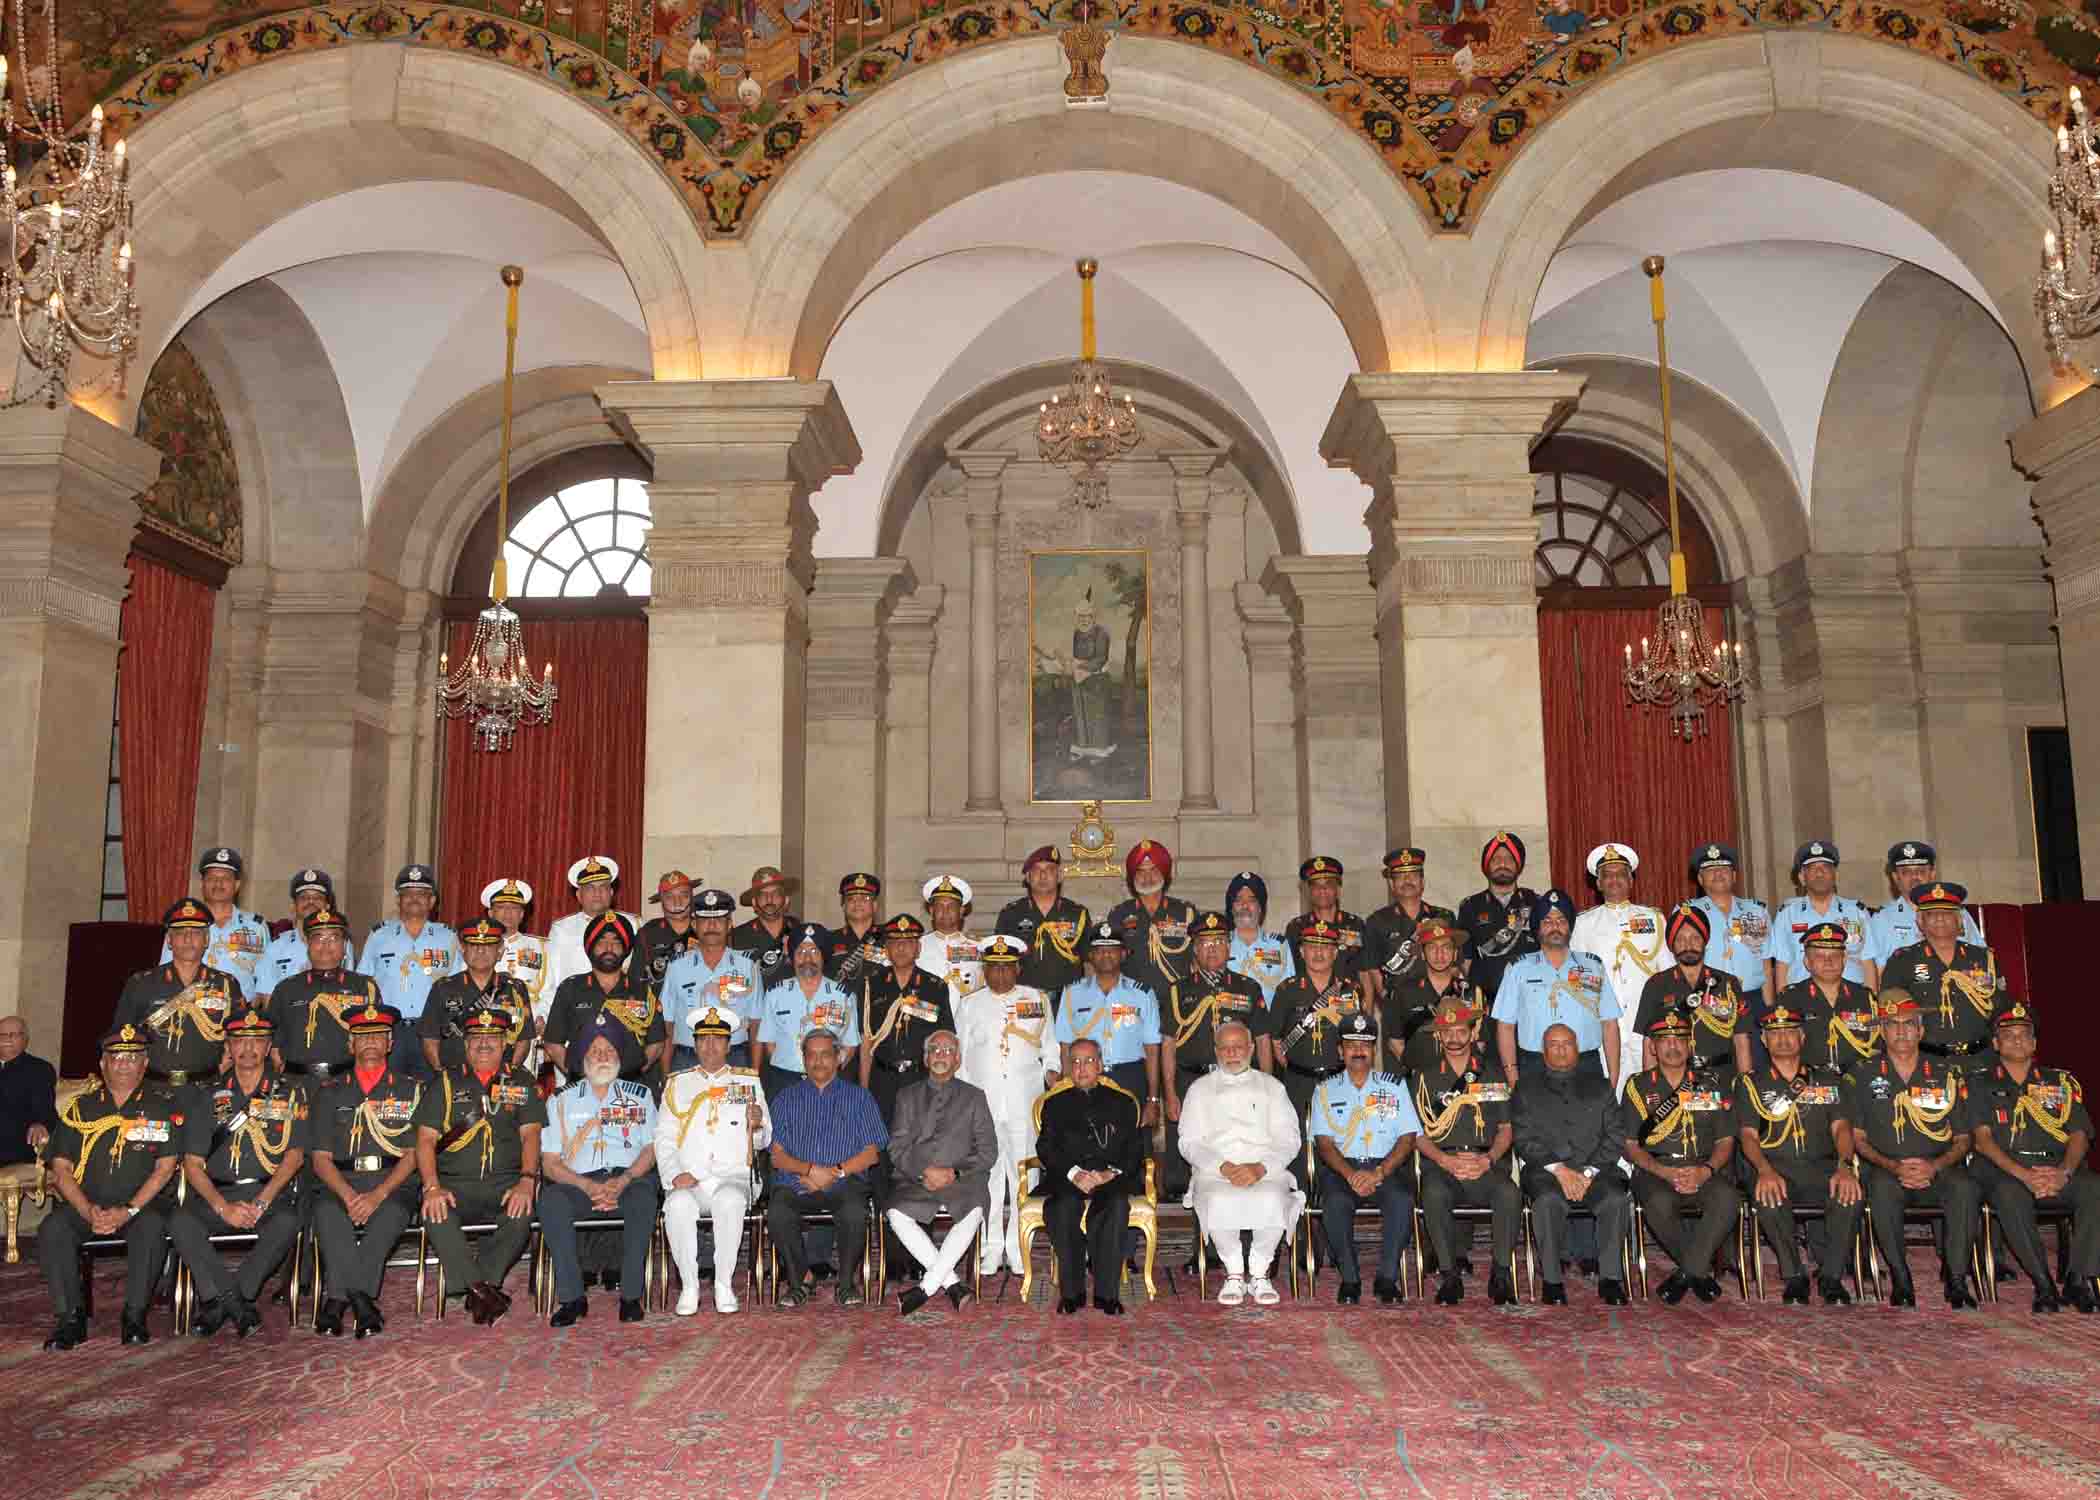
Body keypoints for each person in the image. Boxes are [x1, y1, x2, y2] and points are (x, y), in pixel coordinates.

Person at [38, 1023, 183, 1349]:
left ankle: (134, 1315)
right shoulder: (79, 1109)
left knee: (152, 1227)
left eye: (132, 1058)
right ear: (102, 1064)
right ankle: (69, 1318)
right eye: (115, 1057)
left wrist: (128, 1209)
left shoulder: (162, 1108)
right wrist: (87, 1210)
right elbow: (60, 1169)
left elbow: (165, 1168)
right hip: (85, 1204)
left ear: (145, 1064)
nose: (123, 1064)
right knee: (53, 1229)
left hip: (139, 1205)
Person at [168, 1005, 307, 1337]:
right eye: (240, 1040)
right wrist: (222, 1207)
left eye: (257, 1040)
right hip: (218, 1195)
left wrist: (260, 1203)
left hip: (267, 1194)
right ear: (228, 1046)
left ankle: (227, 1300)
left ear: (268, 1046)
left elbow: (294, 1156)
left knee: (288, 1221)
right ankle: (232, 1301)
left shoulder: (290, 1093)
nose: (248, 1048)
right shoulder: (206, 1097)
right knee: (179, 1220)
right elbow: (192, 1163)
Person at [1844, 990, 1979, 1308]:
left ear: (1921, 1030)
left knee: (1966, 1188)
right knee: (1880, 1188)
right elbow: (1858, 1138)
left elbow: (1963, 1138)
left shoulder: (1947, 1074)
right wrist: (1893, 1166)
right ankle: (1901, 1278)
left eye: (1909, 1024)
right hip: (1886, 1168)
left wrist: (1935, 1166)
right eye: (1892, 1024)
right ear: (1882, 1030)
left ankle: (1957, 1279)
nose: (1901, 1031)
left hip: (1940, 1167)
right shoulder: (1862, 1075)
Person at [1967, 998, 2099, 1313]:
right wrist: (2025, 1175)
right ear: (1996, 1043)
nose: (2017, 1039)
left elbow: (2080, 1134)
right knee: (2010, 1195)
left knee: (2094, 1188)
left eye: (2024, 1034)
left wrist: (2064, 1172)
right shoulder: (1979, 1084)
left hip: (2055, 1167)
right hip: (2005, 1170)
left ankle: (2079, 1278)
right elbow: (1983, 1142)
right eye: (2008, 1034)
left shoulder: (2060, 1082)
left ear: (2035, 1042)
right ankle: (2043, 1283)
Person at [413, 1006, 542, 1324]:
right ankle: (482, 1290)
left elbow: (531, 1136)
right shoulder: (445, 1082)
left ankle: (477, 1287)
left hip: (504, 1182)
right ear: (465, 1044)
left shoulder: (521, 1080)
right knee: (434, 1210)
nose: (484, 1044)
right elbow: (426, 1140)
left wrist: (527, 1180)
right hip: (454, 1183)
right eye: (476, 1038)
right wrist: (432, 1187)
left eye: (492, 1038)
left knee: (522, 1210)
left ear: (505, 1043)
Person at [1735, 1000, 1862, 1305]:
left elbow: (1842, 1130)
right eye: (1774, 1033)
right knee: (1768, 1194)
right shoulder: (1750, 1085)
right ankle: (1794, 1276)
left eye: (1790, 1031)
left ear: (1802, 1038)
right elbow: (1749, 1137)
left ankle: (1831, 1277)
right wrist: (1764, 1171)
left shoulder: (1829, 1080)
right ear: (1763, 1040)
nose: (1783, 1038)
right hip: (1777, 1167)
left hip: (1822, 1167)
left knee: (1850, 1192)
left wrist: (1846, 1166)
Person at [308, 1001, 422, 1338]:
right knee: (329, 1214)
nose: (370, 1041)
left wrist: (377, 1195)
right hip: (340, 1181)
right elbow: (320, 1158)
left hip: (393, 1183)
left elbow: (414, 1154)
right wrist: (348, 1195)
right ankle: (361, 1302)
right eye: (362, 1035)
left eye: (378, 1035)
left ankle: (338, 1299)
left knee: (388, 1216)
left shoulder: (412, 1090)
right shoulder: (329, 1092)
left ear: (390, 1043)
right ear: (350, 1044)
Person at [1619, 1003, 1740, 1304]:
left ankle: (1687, 1271)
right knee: (1658, 1203)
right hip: (1656, 1172)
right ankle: (1699, 1271)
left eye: (1679, 1040)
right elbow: (1631, 1145)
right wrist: (1664, 1173)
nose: (1673, 1046)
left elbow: (1726, 1140)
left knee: (1727, 1198)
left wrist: (1706, 1171)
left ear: (1690, 1044)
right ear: (1653, 1047)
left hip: (1704, 1168)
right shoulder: (1637, 1086)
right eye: (1665, 1040)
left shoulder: (1711, 1084)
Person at [540, 1022, 660, 1325]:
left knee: (644, 1198)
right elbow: (550, 1162)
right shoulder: (560, 1100)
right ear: (583, 1060)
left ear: (619, 1057)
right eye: (595, 1052)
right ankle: (571, 1298)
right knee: (552, 1202)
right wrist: (587, 1186)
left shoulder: (641, 1095)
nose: (603, 1056)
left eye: (609, 1051)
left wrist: (624, 1180)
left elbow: (652, 1149)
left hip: (628, 1177)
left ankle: (631, 1296)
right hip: (579, 1181)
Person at [658, 1006, 771, 1315]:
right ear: (694, 1044)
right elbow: (664, 1138)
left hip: (732, 1175)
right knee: (678, 1204)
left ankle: (723, 1284)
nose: (710, 1046)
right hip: (690, 1177)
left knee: (731, 1201)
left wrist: (757, 1124)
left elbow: (764, 1140)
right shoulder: (677, 1083)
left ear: (729, 1045)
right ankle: (690, 1286)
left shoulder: (747, 1081)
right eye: (704, 1039)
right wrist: (674, 1174)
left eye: (717, 1040)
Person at [955, 935, 1057, 1277]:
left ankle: (1017, 1246)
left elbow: (1051, 1050)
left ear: (1018, 968)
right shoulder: (970, 1005)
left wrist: (1054, 1076)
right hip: (982, 1104)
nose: (1000, 975)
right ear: (985, 969)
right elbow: (960, 1058)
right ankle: (991, 1246)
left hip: (1023, 1103)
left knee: (1023, 1175)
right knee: (987, 1176)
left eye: (1006, 968)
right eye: (993, 968)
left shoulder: (1037, 1000)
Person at [1182, 1019, 1302, 1308]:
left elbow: (1289, 1139)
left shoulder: (1272, 1087)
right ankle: (1234, 1271)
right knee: (1219, 1198)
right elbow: (1189, 1142)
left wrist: (1260, 1168)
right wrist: (1222, 1166)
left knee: (1273, 1197)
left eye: (1238, 1047)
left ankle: (1260, 1272)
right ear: (1216, 1051)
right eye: (1225, 1048)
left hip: (1265, 1169)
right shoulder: (1199, 1089)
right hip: (1216, 1171)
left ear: (1250, 1048)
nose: (1232, 1053)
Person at [766, 1029, 888, 1306]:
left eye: (825, 1054)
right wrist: (809, 1171)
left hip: (845, 1182)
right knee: (777, 1212)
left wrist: (833, 1173)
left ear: (838, 1058)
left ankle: (845, 1284)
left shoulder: (860, 1098)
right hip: (797, 1182)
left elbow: (872, 1153)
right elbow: (777, 1156)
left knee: (855, 1211)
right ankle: (800, 1281)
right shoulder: (785, 1099)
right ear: (803, 1059)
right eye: (811, 1055)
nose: (818, 1061)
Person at [1411, 997, 1520, 1305]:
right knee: (1432, 1194)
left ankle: (1500, 1274)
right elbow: (1415, 1133)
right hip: (1442, 1165)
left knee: (1509, 1194)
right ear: (1438, 1036)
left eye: (1461, 1030)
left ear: (1473, 1033)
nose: (1454, 1038)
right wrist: (1444, 1160)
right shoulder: (1423, 1076)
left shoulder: (1492, 1073)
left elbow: (1506, 1128)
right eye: (1447, 1032)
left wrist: (1488, 1160)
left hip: (1485, 1164)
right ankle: (1449, 1276)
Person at [1514, 1022, 1632, 1306]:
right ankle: (1552, 1282)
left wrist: (1589, 1172)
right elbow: (1523, 1137)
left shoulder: (1601, 1085)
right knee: (1547, 1202)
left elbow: (1615, 1134)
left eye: (1567, 1043)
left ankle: (1611, 1279)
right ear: (1543, 1052)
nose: (1561, 1050)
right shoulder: (1525, 1088)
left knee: (1615, 1200)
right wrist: (1561, 1170)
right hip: (1546, 1171)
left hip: (1596, 1170)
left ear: (1577, 1048)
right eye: (1553, 1044)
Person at [885, 1029, 998, 1315]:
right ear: (925, 1058)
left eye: (948, 1051)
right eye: (935, 1049)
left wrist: (954, 1173)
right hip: (917, 1180)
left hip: (962, 1181)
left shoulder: (975, 1097)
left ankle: (925, 1289)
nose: (941, 1055)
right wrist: (924, 1172)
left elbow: (988, 1152)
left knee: (973, 1211)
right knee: (896, 1213)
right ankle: (952, 1285)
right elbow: (897, 1148)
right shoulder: (906, 1096)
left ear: (958, 1060)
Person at [1309, 1013, 1418, 1305]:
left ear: (1374, 1050)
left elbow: (1407, 1138)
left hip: (1386, 1166)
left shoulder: (1395, 1086)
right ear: (1340, 1051)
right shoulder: (1324, 1090)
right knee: (1334, 1203)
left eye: (1365, 1045)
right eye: (1351, 1045)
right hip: (1342, 1168)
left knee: (1401, 1200)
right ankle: (1350, 1278)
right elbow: (1324, 1143)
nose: (1359, 1051)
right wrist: (1350, 1175)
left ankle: (1387, 1278)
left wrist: (1379, 1172)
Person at [1161, 912, 1269, 1200]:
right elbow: (1169, 1044)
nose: (1212, 948)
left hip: (1238, 1080)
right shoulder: (1177, 991)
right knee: (1184, 1146)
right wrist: (1170, 1092)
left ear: (1229, 947)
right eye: (1205, 943)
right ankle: (1179, 1209)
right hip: (1190, 1077)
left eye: (1219, 941)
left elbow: (1262, 1038)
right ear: (1194, 948)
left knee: (1235, 1138)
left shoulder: (1248, 988)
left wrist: (1268, 1084)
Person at [1036, 1039, 1147, 1315]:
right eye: (1075, 1062)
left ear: (1099, 1065)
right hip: (1068, 1177)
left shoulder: (1123, 1103)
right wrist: (1074, 1173)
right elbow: (1046, 1148)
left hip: (1109, 1176)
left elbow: (1134, 1149)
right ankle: (1071, 1293)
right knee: (1061, 1208)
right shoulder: (1054, 1104)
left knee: (1115, 1205)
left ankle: (1106, 1294)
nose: (1081, 1068)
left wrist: (1109, 1173)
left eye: (1088, 1061)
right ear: (1068, 1067)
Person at [113, 897, 241, 1101]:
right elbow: (120, 1039)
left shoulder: (226, 985)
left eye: (196, 933)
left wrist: (230, 1059)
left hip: (207, 1089)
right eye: (180, 933)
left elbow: (239, 1035)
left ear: (207, 940)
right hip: (153, 1088)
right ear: (169, 941)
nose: (188, 939)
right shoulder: (142, 984)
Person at [1492, 889, 1618, 1088]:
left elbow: (1609, 1024)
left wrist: (1613, 1079)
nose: (1555, 927)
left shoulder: (1594, 966)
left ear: (1570, 926)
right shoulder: (1518, 969)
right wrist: (1512, 1078)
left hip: (1586, 1066)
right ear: (1538, 928)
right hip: (1534, 1066)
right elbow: (1505, 1026)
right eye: (1547, 921)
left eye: (1561, 920)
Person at [1877, 880, 2000, 1077]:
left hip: (1981, 1061)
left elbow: (2000, 1008)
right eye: (1931, 914)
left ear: (1959, 920)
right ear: (1920, 921)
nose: (1940, 919)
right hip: (1927, 1063)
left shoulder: (1983, 958)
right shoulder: (1903, 960)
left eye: (1947, 913)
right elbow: (1891, 1014)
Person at [1570, 843, 1665, 1092]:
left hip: (1645, 1025)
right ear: (1598, 883)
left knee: (1649, 1095)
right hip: (1603, 1029)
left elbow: (1667, 974)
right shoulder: (1583, 924)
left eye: (1621, 874)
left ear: (1631, 880)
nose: (1614, 880)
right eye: (1607, 875)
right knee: (1607, 1097)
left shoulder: (1654, 919)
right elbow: (1577, 979)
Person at [357, 864, 463, 1079]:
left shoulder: (449, 938)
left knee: (431, 1095)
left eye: (422, 894)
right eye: (408, 894)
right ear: (398, 900)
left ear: (432, 901)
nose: (414, 899)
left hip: (433, 1033)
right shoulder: (379, 936)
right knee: (387, 1094)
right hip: (389, 1032)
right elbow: (364, 983)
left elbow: (459, 985)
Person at [1055, 922, 1163, 1122]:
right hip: (1087, 1077)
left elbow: (1152, 1049)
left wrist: (1153, 1098)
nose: (1106, 956)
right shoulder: (1072, 993)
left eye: (1112, 950)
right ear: (1090, 956)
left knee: (1134, 1145)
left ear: (1123, 954)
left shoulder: (1143, 994)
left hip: (1130, 1077)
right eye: (1099, 950)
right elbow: (1065, 1046)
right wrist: (1069, 1090)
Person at [541, 912, 665, 1081]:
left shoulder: (642, 990)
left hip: (629, 1091)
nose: (609, 948)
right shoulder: (570, 988)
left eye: (616, 942)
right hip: (581, 1089)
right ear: (590, 947)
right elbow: (553, 1042)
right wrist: (578, 1075)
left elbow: (656, 1043)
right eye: (602, 942)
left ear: (626, 949)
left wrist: (633, 1075)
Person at [1631, 904, 1750, 1077]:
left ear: (1704, 941)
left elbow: (1741, 1038)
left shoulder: (1728, 983)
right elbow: (1649, 1042)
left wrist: (1745, 1082)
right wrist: (1652, 1085)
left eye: (1695, 938)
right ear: (1672, 946)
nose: (1688, 945)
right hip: (1675, 1080)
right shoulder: (1656, 985)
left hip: (1722, 1076)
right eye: (1681, 939)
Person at [267, 906, 382, 1084]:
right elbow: (274, 1049)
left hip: (346, 1082)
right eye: (318, 938)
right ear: (307, 943)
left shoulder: (364, 987)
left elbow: (376, 1043)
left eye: (334, 938)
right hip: (297, 1082)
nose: (326, 946)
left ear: (344, 945)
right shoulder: (286, 989)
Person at [861, 914, 956, 1124]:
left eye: (908, 942)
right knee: (881, 1146)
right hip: (881, 1080)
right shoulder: (873, 984)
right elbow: (866, 1041)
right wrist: (863, 1091)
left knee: (920, 1146)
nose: (901, 948)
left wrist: (943, 1086)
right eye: (895, 943)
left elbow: (946, 1039)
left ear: (918, 948)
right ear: (886, 948)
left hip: (921, 1080)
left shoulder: (935, 987)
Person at [757, 924, 863, 1103]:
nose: (807, 958)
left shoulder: (843, 996)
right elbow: (769, 1044)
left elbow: (850, 1044)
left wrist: (829, 1069)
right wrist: (792, 1065)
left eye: (814, 951)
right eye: (801, 952)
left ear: (824, 957)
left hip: (829, 1081)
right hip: (784, 1081)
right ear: (792, 957)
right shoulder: (775, 993)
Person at [661, 887, 764, 1072]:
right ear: (694, 925)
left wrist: (754, 1073)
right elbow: (667, 1025)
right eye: (705, 920)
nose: (711, 926)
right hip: (687, 1057)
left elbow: (756, 1025)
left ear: (729, 924)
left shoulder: (748, 967)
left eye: (718, 920)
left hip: (735, 1056)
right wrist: (666, 1077)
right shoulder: (676, 967)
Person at [420, 915, 534, 1073]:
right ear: (463, 949)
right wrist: (441, 1072)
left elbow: (524, 1039)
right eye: (474, 945)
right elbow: (430, 1038)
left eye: (488, 945)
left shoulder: (515, 989)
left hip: (500, 1078)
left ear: (500, 951)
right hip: (455, 1078)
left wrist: (511, 1073)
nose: (481, 951)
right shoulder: (442, 988)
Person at [161, 846, 270, 999]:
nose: (218, 884)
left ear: (237, 885)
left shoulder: (256, 926)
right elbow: (166, 975)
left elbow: (266, 980)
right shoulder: (181, 924)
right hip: (194, 1012)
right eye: (212, 878)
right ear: (202, 883)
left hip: (241, 1015)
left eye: (225, 879)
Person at [1773, 919, 1880, 1073]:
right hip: (1811, 1084)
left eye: (1835, 956)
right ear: (1807, 962)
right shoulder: (1790, 999)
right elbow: (1781, 1051)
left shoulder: (1864, 998)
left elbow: (1877, 1047)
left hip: (1858, 1080)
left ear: (1844, 960)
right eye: (1819, 956)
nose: (1828, 961)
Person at [1769, 841, 1877, 990]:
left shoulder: (1857, 912)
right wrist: (1784, 1007)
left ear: (1835, 875)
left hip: (1851, 998)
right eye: (1813, 869)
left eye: (1825, 868)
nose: (1819, 873)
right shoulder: (1787, 913)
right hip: (1802, 1000)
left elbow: (1868, 962)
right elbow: (1782, 965)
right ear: (1801, 877)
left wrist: (1872, 1002)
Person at [1378, 915, 1476, 1080]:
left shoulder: (1470, 992)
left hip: (1460, 1081)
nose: (1440, 955)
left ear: (1455, 953)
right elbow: (1395, 1042)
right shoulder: (1402, 992)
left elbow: (1479, 1042)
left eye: (1446, 948)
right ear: (1422, 954)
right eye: (1432, 948)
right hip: (1418, 1081)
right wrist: (1424, 1076)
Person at [1685, 843, 1770, 1030]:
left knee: (1755, 1058)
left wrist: (1770, 1007)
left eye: (1724, 869)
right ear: (1700, 878)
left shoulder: (1757, 911)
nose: (1718, 874)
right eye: (1710, 870)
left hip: (1752, 1000)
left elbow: (1765, 962)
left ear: (1734, 876)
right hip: (1707, 1000)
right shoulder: (1688, 913)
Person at [1105, 839, 1197, 1000]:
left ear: (1164, 872)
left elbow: (1198, 961)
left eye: (1154, 870)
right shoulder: (1119, 915)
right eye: (1140, 871)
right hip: (1133, 1002)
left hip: (1177, 1001)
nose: (1147, 877)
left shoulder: (1185, 912)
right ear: (1132, 877)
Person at [1456, 831, 1539, 1010]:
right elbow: (1465, 961)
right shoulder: (1471, 907)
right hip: (1487, 1004)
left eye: (1509, 859)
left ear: (1519, 865)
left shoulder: (1536, 902)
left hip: (1530, 1001)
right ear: (1486, 866)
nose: (1503, 864)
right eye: (1496, 859)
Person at [995, 846, 1091, 999]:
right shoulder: (1011, 914)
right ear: (1028, 877)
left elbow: (1089, 962)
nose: (1043, 875)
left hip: (1069, 1001)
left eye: (1050, 869)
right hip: (1025, 1000)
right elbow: (1000, 963)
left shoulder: (1077, 913)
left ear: (1059, 876)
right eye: (1036, 870)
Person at [1363, 847, 1456, 996]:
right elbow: (1373, 969)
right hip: (1398, 1007)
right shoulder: (1376, 922)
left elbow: (1455, 965)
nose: (1407, 880)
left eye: (1413, 875)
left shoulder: (1444, 917)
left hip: (1438, 1005)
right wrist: (1388, 1000)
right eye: (1400, 876)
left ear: (1422, 882)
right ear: (1392, 885)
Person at [1868, 841, 1985, 959]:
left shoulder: (1957, 913)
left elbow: (1981, 959)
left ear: (1932, 874)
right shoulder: (1882, 919)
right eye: (1906, 872)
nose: (1914, 877)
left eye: (1921, 871)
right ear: (1895, 877)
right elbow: (1875, 971)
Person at [546, 856, 639, 997]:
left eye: (603, 887)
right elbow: (552, 979)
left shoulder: (633, 924)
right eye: (590, 888)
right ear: (578, 895)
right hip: (576, 1004)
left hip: (622, 1003)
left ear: (612, 893)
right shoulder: (562, 929)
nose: (597, 893)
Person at [255, 868, 357, 993]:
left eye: (318, 898)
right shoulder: (276, 946)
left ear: (327, 906)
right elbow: (268, 998)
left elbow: (350, 991)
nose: (311, 902)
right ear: (294, 906)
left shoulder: (343, 943)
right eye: (304, 898)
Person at [1285, 855, 1369, 984]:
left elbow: (1365, 972)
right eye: (1316, 885)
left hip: (1350, 1000)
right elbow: (1290, 972)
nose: (1322, 890)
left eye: (1328, 884)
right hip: (1309, 1001)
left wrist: (1367, 1004)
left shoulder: (1354, 925)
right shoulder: (1296, 928)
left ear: (1338, 889)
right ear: (1308, 891)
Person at [480, 878, 549, 1034]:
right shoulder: (476, 947)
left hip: (528, 1026)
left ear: (522, 914)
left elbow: (550, 989)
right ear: (490, 913)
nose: (507, 913)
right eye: (501, 907)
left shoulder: (541, 947)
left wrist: (542, 1016)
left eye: (514, 908)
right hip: (485, 1026)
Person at [1223, 870, 1295, 1009]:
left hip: (1270, 1025)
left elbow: (1290, 993)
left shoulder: (1279, 945)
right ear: (1231, 908)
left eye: (1252, 900)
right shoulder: (1221, 944)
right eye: (1238, 900)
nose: (1245, 906)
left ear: (1261, 908)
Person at [918, 874, 984, 1012]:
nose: (945, 911)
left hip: (966, 1025)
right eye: (939, 906)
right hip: (927, 1024)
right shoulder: (917, 946)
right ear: (931, 911)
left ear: (961, 911)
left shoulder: (979, 947)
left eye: (951, 906)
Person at [732, 865, 802, 991]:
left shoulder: (801, 933)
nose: (769, 900)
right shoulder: (737, 937)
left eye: (775, 894)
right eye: (763, 895)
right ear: (754, 902)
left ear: (786, 900)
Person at [0, 1013, 57, 1168]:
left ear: (25, 1039)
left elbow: (46, 1110)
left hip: (15, 1144)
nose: (6, 1038)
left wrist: (40, 1124)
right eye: (2, 1034)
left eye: (13, 1034)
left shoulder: (39, 1069)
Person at [635, 870, 703, 991]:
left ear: (692, 897)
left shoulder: (707, 928)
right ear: (661, 900)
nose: (678, 902)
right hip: (660, 1006)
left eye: (684, 895)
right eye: (669, 897)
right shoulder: (647, 933)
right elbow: (636, 980)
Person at [825, 872, 888, 988]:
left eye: (865, 898)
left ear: (874, 905)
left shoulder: (889, 938)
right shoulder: (828, 939)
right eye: (851, 899)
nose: (857, 903)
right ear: (843, 906)